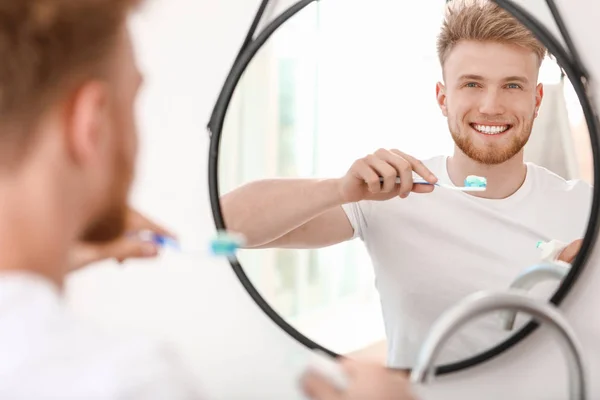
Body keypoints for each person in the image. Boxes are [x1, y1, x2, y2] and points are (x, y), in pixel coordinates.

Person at [0, 0, 417, 399]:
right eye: (132, 101)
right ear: (90, 123)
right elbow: (231, 220)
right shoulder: (126, 381)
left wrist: (56, 254)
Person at [220, 0, 593, 369]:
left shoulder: (584, 209)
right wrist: (339, 189)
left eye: (512, 85)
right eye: (472, 84)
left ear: (537, 99)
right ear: (443, 98)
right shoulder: (391, 196)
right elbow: (225, 223)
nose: (491, 105)